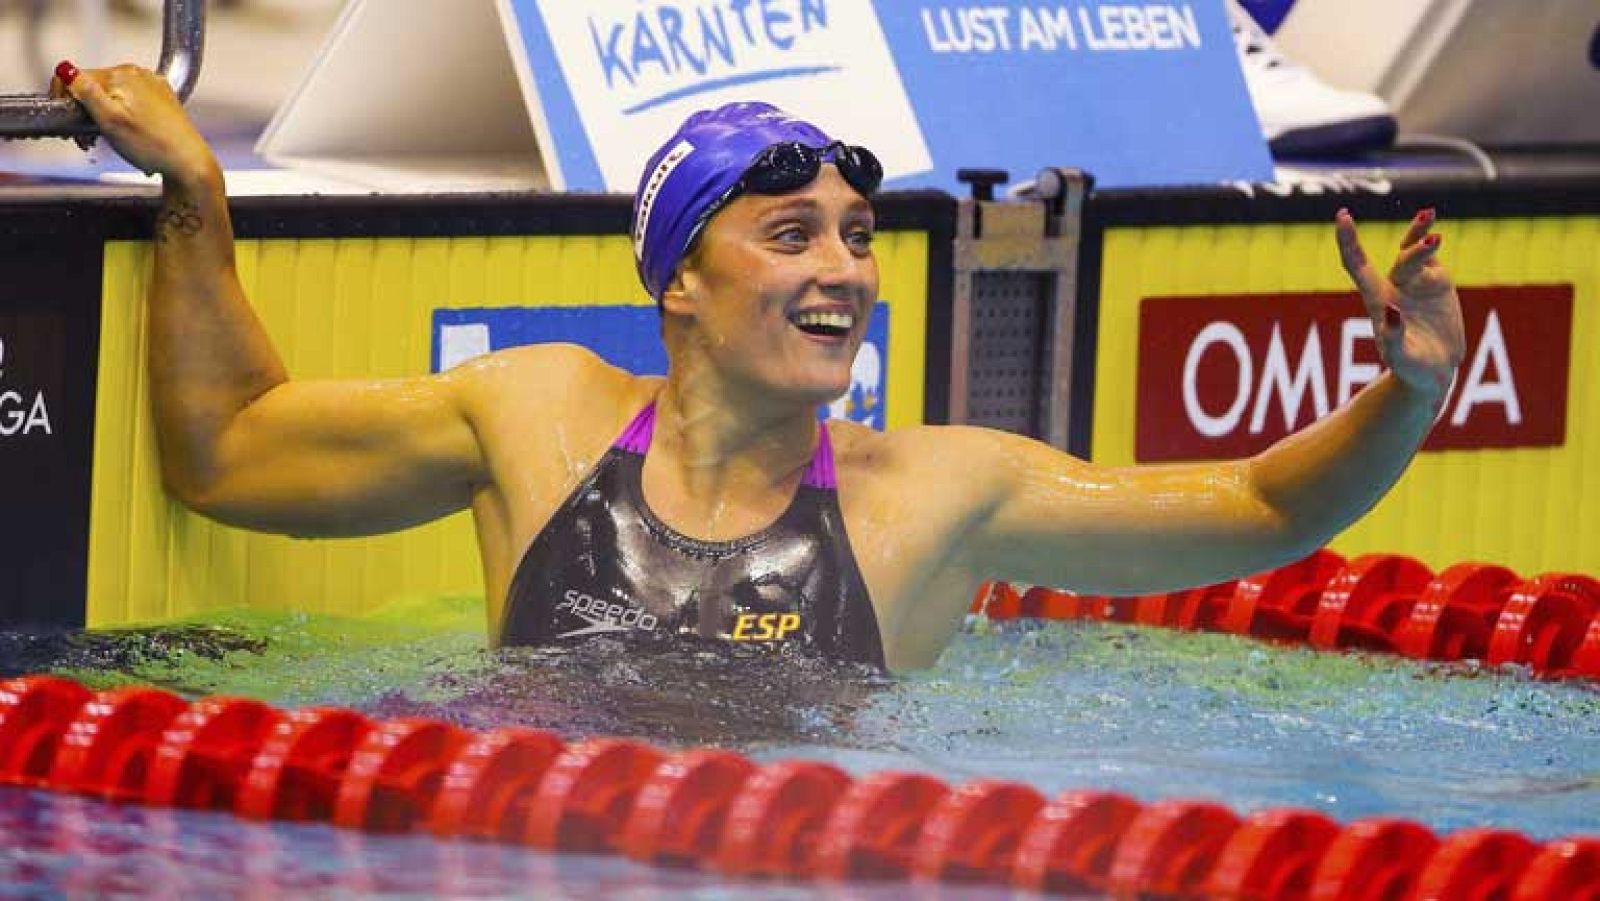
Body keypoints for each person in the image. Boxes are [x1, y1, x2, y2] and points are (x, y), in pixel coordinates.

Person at [52, 62, 1464, 673]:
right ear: (680, 277)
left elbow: (1260, 509)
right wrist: (193, 191)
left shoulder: (934, 497)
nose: (844, 269)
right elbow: (228, 453)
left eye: (857, 237)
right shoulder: (536, 418)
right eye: (791, 236)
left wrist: (1406, 393)